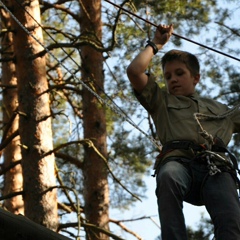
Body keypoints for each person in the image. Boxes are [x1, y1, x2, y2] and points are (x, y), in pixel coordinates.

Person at [126, 24, 240, 240]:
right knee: (168, 176)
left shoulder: (221, 110)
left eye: (179, 73)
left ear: (195, 78)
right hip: (179, 163)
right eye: (168, 77)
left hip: (214, 168)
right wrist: (156, 44)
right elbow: (134, 71)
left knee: (232, 221)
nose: (173, 80)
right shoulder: (161, 101)